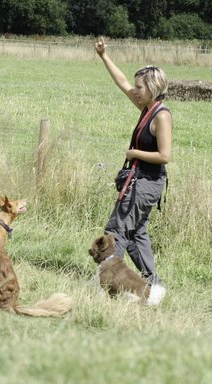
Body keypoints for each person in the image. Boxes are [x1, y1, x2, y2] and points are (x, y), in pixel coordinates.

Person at [94, 37, 172, 285]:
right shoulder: (146, 108)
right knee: (137, 233)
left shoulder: (161, 116)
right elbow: (122, 83)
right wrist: (104, 56)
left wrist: (134, 154)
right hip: (141, 180)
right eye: (137, 87)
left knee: (116, 231)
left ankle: (106, 283)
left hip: (147, 183)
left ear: (152, 87)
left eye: (140, 87)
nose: (135, 90)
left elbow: (164, 156)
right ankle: (153, 285)